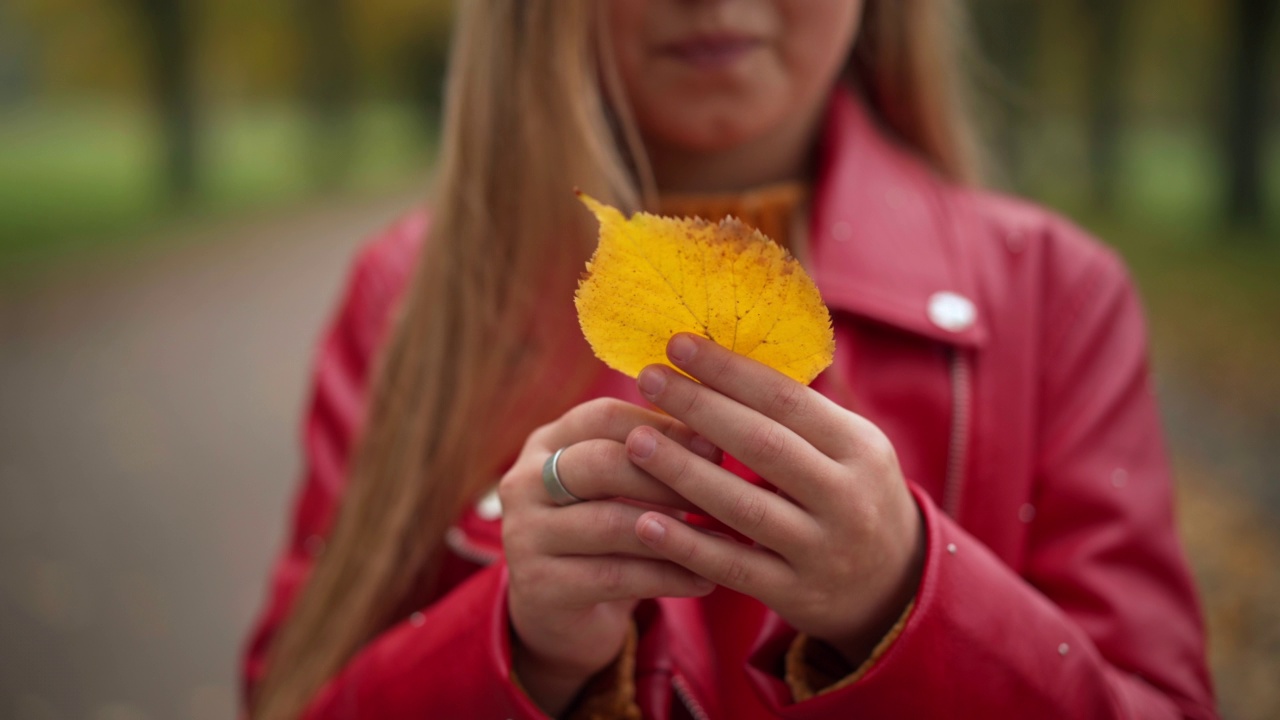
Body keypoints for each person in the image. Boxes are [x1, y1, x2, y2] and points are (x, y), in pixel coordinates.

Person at [242, 2, 1217, 718]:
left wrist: (907, 601)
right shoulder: (412, 298)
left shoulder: (1052, 296)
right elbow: (290, 691)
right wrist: (521, 652)